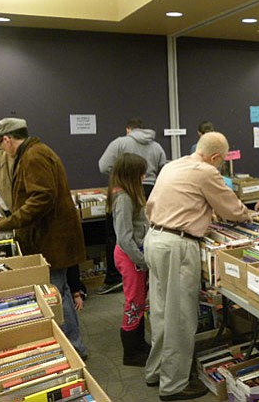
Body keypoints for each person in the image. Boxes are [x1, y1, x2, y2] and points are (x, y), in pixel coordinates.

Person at [144, 132, 250, 400]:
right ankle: (174, 385)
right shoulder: (206, 171)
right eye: (221, 161)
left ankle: (156, 371)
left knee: (160, 312)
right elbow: (232, 210)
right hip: (177, 246)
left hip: (154, 238)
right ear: (215, 157)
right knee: (180, 317)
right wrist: (249, 214)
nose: (221, 166)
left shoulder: (172, 165)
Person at [0, 117, 89, 359]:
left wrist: (5, 223)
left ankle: (72, 350)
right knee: (62, 291)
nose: (1, 150)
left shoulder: (33, 156)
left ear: (7, 139)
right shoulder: (35, 152)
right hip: (54, 239)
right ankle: (75, 347)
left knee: (54, 294)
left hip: (52, 240)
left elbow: (41, 199)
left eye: (0, 144)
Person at [97, 118, 166, 295]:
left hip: (126, 185)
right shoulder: (156, 146)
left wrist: (120, 174)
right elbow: (164, 168)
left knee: (118, 232)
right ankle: (142, 268)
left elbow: (103, 165)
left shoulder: (119, 143)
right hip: (151, 190)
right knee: (146, 227)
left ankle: (116, 277)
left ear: (128, 129)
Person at [108, 153, 151, 367]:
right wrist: (142, 260)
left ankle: (139, 343)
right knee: (133, 302)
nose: (144, 177)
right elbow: (124, 237)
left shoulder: (128, 194)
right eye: (141, 173)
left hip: (134, 254)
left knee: (140, 301)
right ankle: (131, 352)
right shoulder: (123, 198)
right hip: (130, 256)